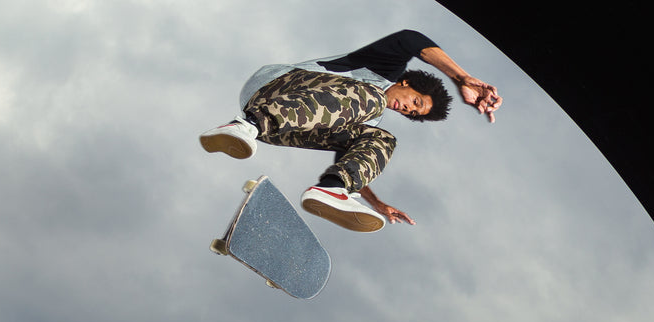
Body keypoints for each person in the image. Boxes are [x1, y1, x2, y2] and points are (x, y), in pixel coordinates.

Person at [200, 29, 501, 232]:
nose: (407, 109)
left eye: (412, 113)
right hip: (276, 89)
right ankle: (243, 125)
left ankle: (333, 190)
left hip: (283, 128)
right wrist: (462, 78)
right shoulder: (382, 70)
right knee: (374, 100)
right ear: (407, 83)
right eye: (414, 102)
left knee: (381, 138)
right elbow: (410, 38)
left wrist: (376, 203)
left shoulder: (367, 113)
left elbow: (344, 154)